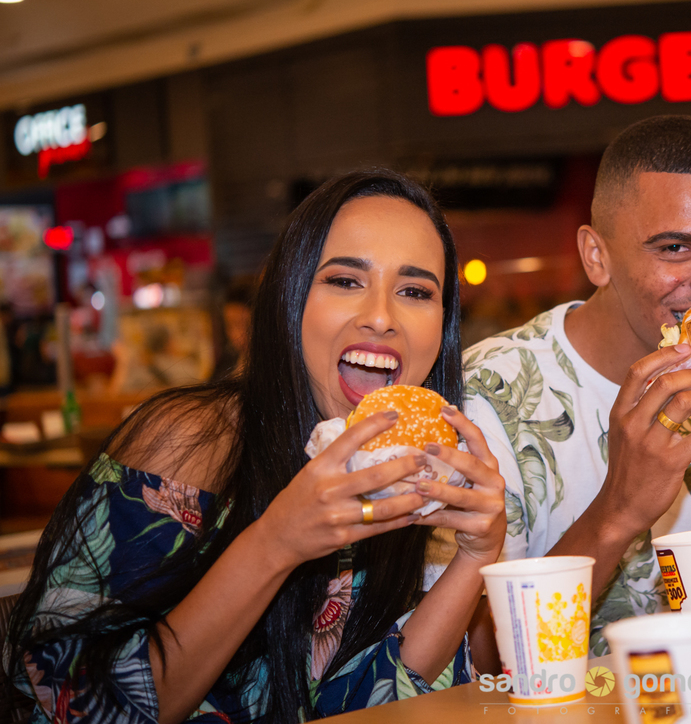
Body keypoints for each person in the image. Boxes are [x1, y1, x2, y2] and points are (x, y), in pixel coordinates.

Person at [3, 171, 507, 723]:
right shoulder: (191, 441)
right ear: (288, 300)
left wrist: (473, 559)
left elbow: (372, 704)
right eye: (344, 280)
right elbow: (75, 707)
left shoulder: (403, 474)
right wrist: (276, 542)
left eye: (415, 291)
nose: (382, 317)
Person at [458, 115, 691, 662]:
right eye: (675, 249)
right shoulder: (485, 398)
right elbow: (474, 668)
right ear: (597, 256)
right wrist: (617, 512)